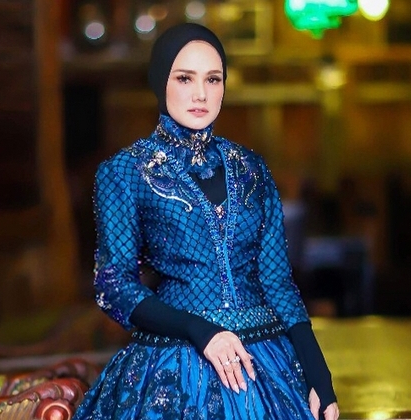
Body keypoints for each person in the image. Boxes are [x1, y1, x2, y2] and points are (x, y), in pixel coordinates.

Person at [74, 23, 339, 420]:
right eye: (185, 78)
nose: (200, 93)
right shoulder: (125, 172)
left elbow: (278, 283)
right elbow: (114, 285)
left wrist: (319, 375)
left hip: (265, 361)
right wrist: (199, 330)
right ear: (161, 81)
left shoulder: (252, 168)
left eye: (213, 79)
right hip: (174, 362)